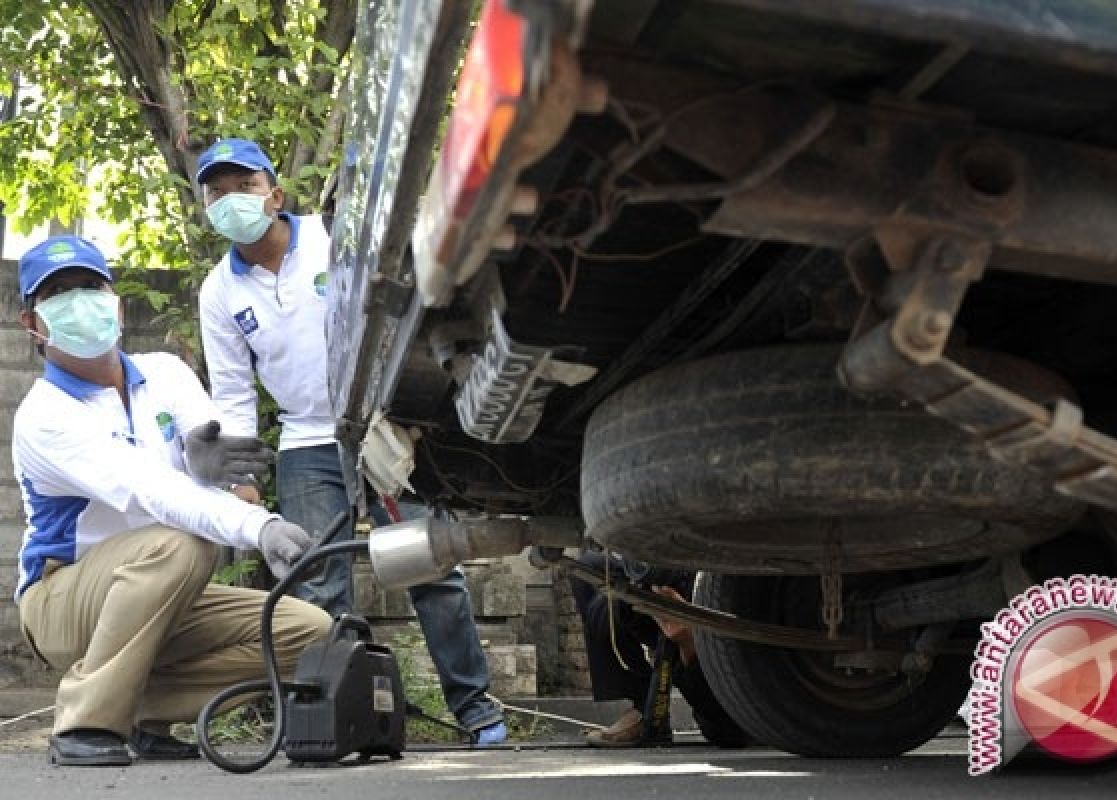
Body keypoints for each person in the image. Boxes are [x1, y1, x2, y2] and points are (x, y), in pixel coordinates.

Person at [194, 137, 507, 744]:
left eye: (244, 187)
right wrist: (243, 482)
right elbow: (232, 391)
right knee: (318, 585)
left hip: (383, 428)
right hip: (305, 442)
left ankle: (477, 710)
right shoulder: (219, 292)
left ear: (275, 195)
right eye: (216, 192)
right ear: (205, 208)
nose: (230, 200)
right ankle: (348, 715)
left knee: (431, 563)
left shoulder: (332, 237)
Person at [11, 235, 331, 767]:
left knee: (309, 633)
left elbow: (216, 452)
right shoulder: (45, 414)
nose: (79, 301)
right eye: (59, 294)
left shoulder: (165, 373)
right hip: (62, 598)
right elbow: (155, 491)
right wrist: (260, 527)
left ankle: (140, 707)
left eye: (89, 286)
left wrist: (218, 476)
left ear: (115, 302)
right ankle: (85, 721)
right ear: (32, 325)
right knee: (181, 545)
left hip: (161, 591)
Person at [569, 550, 747, 748]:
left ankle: (649, 713)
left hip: (710, 628)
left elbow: (728, 733)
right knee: (587, 568)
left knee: (610, 603)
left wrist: (687, 643)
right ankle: (644, 704)